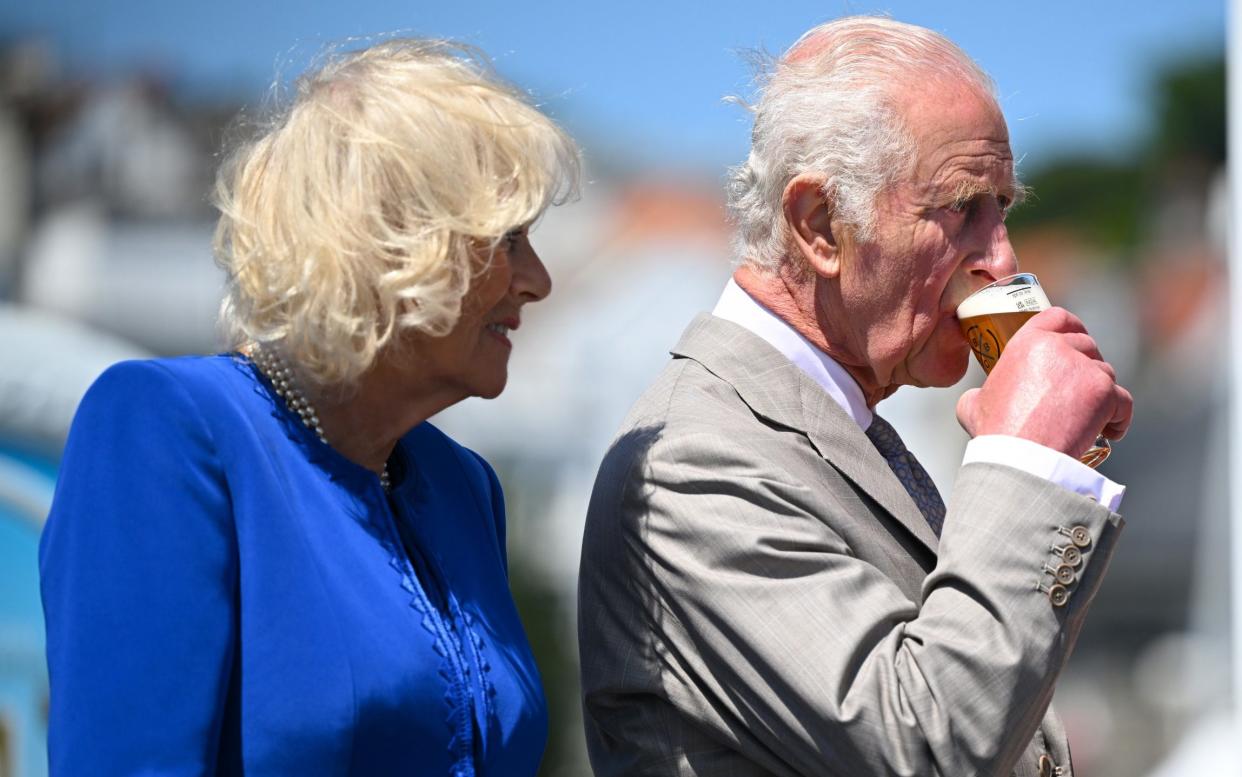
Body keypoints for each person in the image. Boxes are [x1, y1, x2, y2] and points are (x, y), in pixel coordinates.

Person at [578, 16, 1133, 777]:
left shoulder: (826, 422)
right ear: (820, 225)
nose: (1003, 260)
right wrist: (1027, 467)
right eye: (964, 208)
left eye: (1004, 210)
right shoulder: (693, 460)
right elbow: (930, 745)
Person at [39, 39, 578, 776]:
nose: (537, 279)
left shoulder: (464, 486)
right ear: (393, 237)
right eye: (509, 237)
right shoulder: (167, 428)